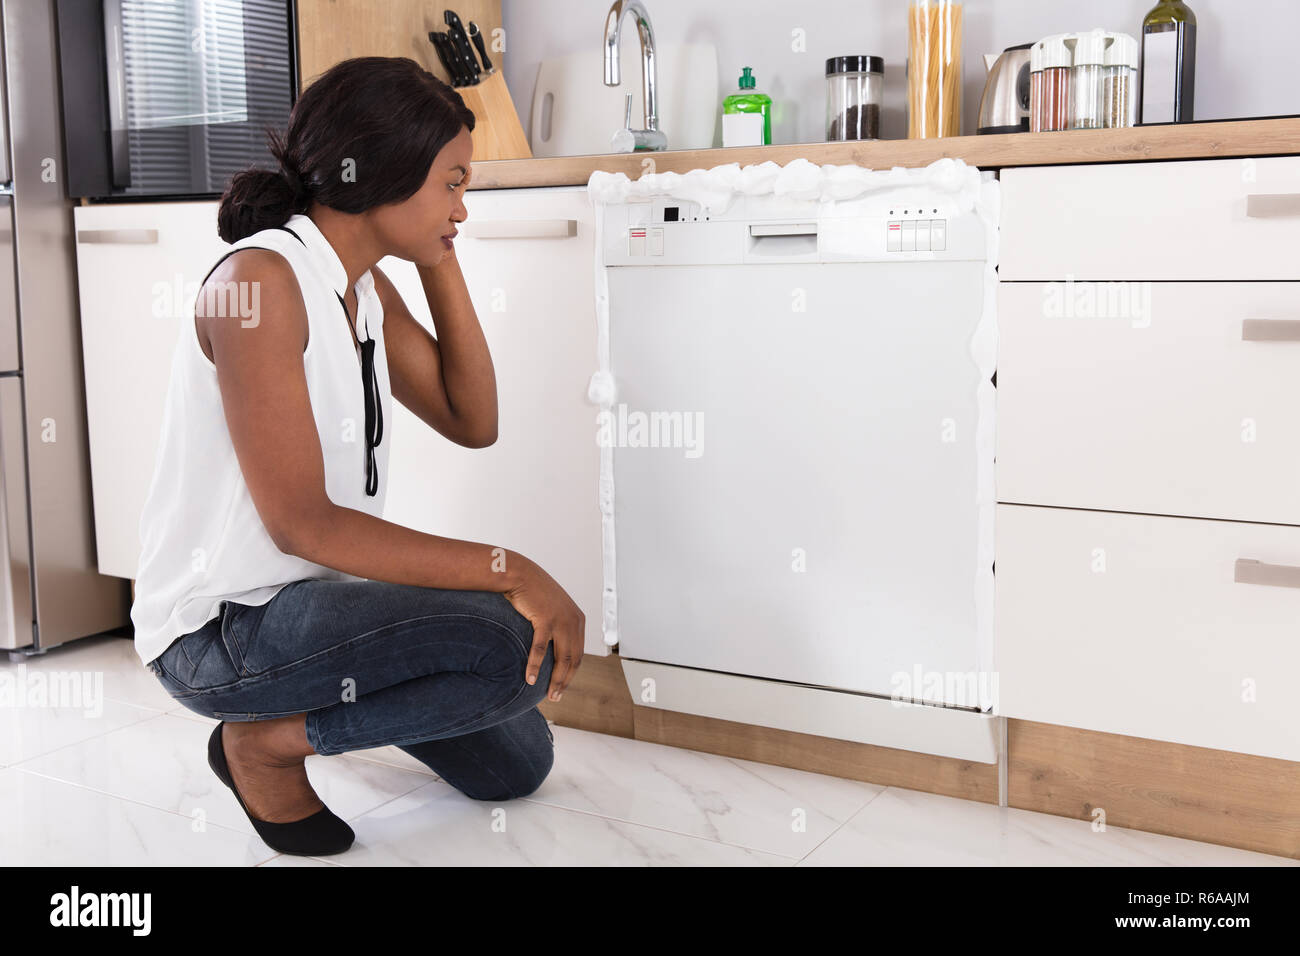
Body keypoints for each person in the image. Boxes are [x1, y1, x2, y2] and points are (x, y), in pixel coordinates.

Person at [129, 56, 585, 856]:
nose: (462, 209)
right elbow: (303, 525)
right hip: (222, 630)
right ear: (382, 171)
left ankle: (291, 721)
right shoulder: (261, 285)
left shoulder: (362, 287)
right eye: (451, 184)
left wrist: (434, 254)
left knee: (519, 765)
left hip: (313, 604)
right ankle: (262, 745)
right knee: (513, 646)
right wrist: (512, 567)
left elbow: (471, 419)